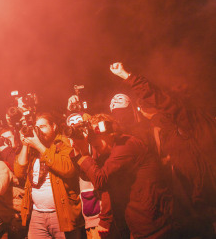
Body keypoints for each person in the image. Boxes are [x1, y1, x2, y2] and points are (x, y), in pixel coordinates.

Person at [109, 62, 216, 237]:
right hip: (190, 209)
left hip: (205, 204)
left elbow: (160, 100)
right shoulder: (170, 127)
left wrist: (127, 76)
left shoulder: (190, 121)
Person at [72, 114, 174, 239]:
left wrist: (85, 153)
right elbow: (91, 177)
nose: (90, 140)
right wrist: (79, 153)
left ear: (107, 132)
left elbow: (100, 180)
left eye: (93, 135)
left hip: (154, 223)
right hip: (138, 223)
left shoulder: (125, 145)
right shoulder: (109, 152)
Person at [13, 112, 84, 239]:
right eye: (36, 127)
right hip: (37, 213)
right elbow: (19, 172)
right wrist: (25, 144)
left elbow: (68, 169)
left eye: (43, 126)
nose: (39, 131)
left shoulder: (64, 143)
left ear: (54, 127)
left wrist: (39, 146)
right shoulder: (32, 148)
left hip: (61, 212)